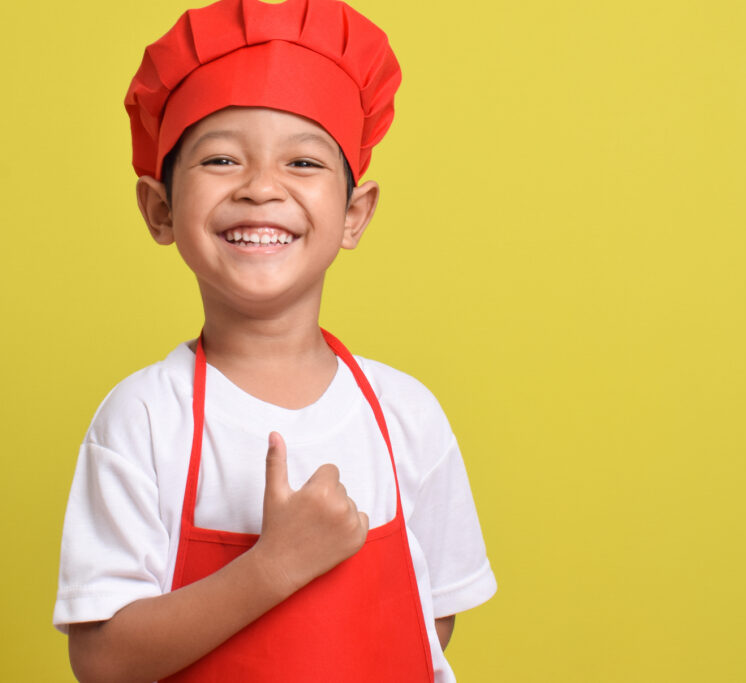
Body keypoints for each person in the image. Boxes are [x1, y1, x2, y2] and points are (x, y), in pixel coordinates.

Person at [54, 0, 497, 680]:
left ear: (355, 214)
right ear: (161, 208)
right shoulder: (143, 420)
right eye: (223, 158)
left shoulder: (407, 417)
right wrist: (273, 567)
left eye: (304, 163)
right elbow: (104, 660)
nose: (262, 188)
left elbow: (430, 617)